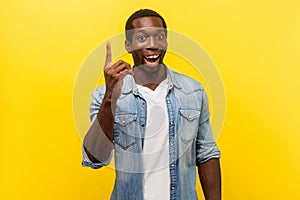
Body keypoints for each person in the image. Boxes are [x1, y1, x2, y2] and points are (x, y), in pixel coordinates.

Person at [82, 9, 221, 200]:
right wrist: (110, 97)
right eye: (142, 38)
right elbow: (94, 158)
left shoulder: (193, 91)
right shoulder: (103, 95)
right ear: (128, 45)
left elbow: (206, 154)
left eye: (159, 36)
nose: (153, 45)